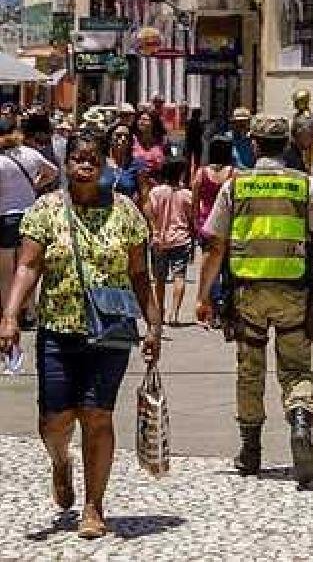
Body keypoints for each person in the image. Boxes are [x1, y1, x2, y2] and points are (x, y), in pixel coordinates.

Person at [0, 129, 161, 539]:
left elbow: (141, 276)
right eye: (77, 158)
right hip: (57, 329)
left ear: (106, 163)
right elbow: (28, 266)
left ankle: (94, 505)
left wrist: (154, 325)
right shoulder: (46, 209)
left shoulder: (126, 212)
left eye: (93, 158)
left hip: (109, 333)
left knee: (97, 415)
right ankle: (59, 461)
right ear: (66, 163)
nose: (85, 165)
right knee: (55, 420)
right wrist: (10, 316)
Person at [194, 114, 313, 491]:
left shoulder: (236, 186)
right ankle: (299, 417)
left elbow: (215, 245)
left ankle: (250, 451)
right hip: (295, 290)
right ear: (287, 145)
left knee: (250, 369)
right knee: (296, 368)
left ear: (254, 144)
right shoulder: (304, 185)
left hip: (247, 292)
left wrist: (203, 296)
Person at [0, 116, 59, 329]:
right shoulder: (30, 153)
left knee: (6, 271)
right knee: (29, 265)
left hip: (5, 217)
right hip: (30, 215)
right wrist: (35, 185)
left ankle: (8, 313)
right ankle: (29, 311)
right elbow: (53, 172)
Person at [144, 159, 196, 327]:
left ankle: (160, 311)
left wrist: (155, 230)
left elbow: (149, 212)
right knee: (179, 276)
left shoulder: (156, 192)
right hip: (181, 239)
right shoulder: (187, 194)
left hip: (159, 240)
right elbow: (192, 217)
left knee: (159, 279)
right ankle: (174, 313)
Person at [193, 134, 236, 315]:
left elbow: (194, 200)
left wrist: (195, 223)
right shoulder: (234, 174)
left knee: (209, 265)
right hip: (228, 225)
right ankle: (224, 305)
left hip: (206, 224)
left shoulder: (202, 173)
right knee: (227, 267)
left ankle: (208, 304)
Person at [101, 123, 146, 204]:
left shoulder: (137, 164)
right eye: (118, 135)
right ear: (110, 138)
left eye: (126, 136)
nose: (123, 138)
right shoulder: (100, 162)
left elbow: (144, 196)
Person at [132, 108, 168, 178]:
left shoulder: (162, 141)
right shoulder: (132, 140)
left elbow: (170, 160)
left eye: (145, 120)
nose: (141, 122)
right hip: (136, 179)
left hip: (157, 180)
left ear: (153, 123)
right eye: (139, 119)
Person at [184, 106, 205, 171]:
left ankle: (187, 177)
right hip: (196, 143)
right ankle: (196, 176)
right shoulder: (199, 124)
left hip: (189, 143)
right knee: (197, 162)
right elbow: (201, 133)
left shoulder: (188, 122)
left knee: (188, 161)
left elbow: (187, 134)